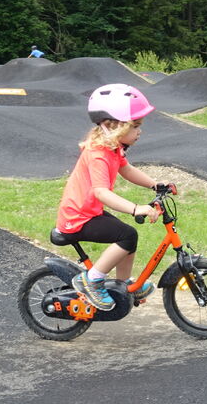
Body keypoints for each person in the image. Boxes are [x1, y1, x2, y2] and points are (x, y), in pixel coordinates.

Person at [56, 83, 172, 311]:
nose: (140, 131)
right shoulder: (98, 154)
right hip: (77, 218)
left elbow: (126, 170)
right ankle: (92, 280)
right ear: (112, 125)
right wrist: (135, 208)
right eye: (135, 126)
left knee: (129, 236)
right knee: (126, 235)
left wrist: (154, 184)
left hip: (89, 213)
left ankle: (122, 285)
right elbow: (100, 192)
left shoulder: (113, 148)